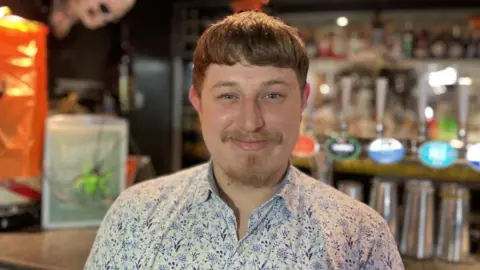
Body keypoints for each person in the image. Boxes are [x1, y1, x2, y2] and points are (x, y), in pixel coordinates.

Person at [85, 11, 404, 269]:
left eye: (273, 94)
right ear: (197, 102)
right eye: (228, 95)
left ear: (303, 100)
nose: (251, 121)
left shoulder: (362, 236)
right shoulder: (134, 216)